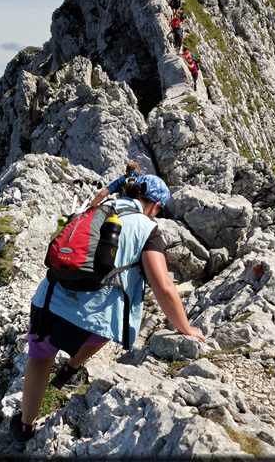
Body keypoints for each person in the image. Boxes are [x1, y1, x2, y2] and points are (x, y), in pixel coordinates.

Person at [12, 173, 207, 447]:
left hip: (50, 297)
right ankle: (70, 369)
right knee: (107, 327)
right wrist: (185, 328)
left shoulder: (97, 208)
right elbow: (163, 286)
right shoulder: (147, 228)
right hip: (93, 313)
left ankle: (23, 428)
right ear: (155, 204)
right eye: (159, 208)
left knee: (41, 357)